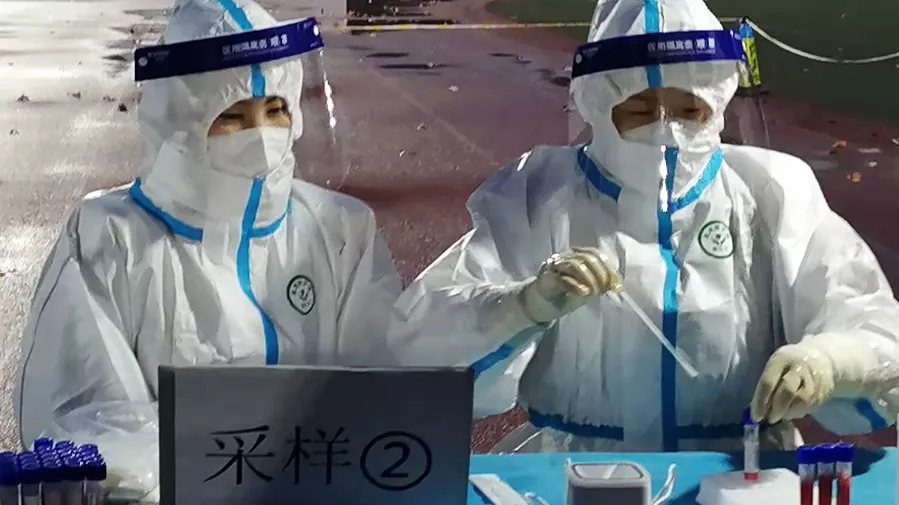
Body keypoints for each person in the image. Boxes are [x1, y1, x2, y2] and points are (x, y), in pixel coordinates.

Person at [389, 0, 899, 452]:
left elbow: (864, 314)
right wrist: (522, 305)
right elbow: (422, 339)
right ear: (597, 104)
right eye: (639, 109)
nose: (666, 129)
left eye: (688, 109)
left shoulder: (771, 190)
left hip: (739, 469)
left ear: (716, 102)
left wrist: (830, 361)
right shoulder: (539, 192)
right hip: (578, 470)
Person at [15, 0, 401, 462]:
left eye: (276, 108)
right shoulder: (112, 239)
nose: (261, 134)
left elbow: (390, 375)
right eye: (234, 115)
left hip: (326, 479)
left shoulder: (339, 229)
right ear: (180, 120)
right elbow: (82, 416)